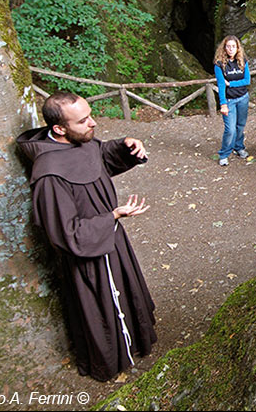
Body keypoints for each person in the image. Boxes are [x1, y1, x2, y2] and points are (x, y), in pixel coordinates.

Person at [16, 92, 156, 382]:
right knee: (102, 310)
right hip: (87, 257)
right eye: (83, 121)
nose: (93, 123)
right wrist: (113, 217)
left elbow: (99, 157)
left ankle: (136, 340)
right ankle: (110, 360)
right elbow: (65, 234)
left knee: (127, 291)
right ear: (59, 129)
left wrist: (127, 146)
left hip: (112, 240)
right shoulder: (49, 176)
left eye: (90, 115)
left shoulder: (82, 140)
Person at [214, 35, 251, 166]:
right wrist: (223, 104)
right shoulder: (219, 64)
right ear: (224, 48)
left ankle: (239, 147)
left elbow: (247, 81)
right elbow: (221, 85)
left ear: (237, 48)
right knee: (230, 129)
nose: (231, 49)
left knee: (240, 126)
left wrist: (231, 84)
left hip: (243, 98)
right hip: (229, 100)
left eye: (233, 46)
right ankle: (224, 153)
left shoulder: (243, 61)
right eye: (228, 46)